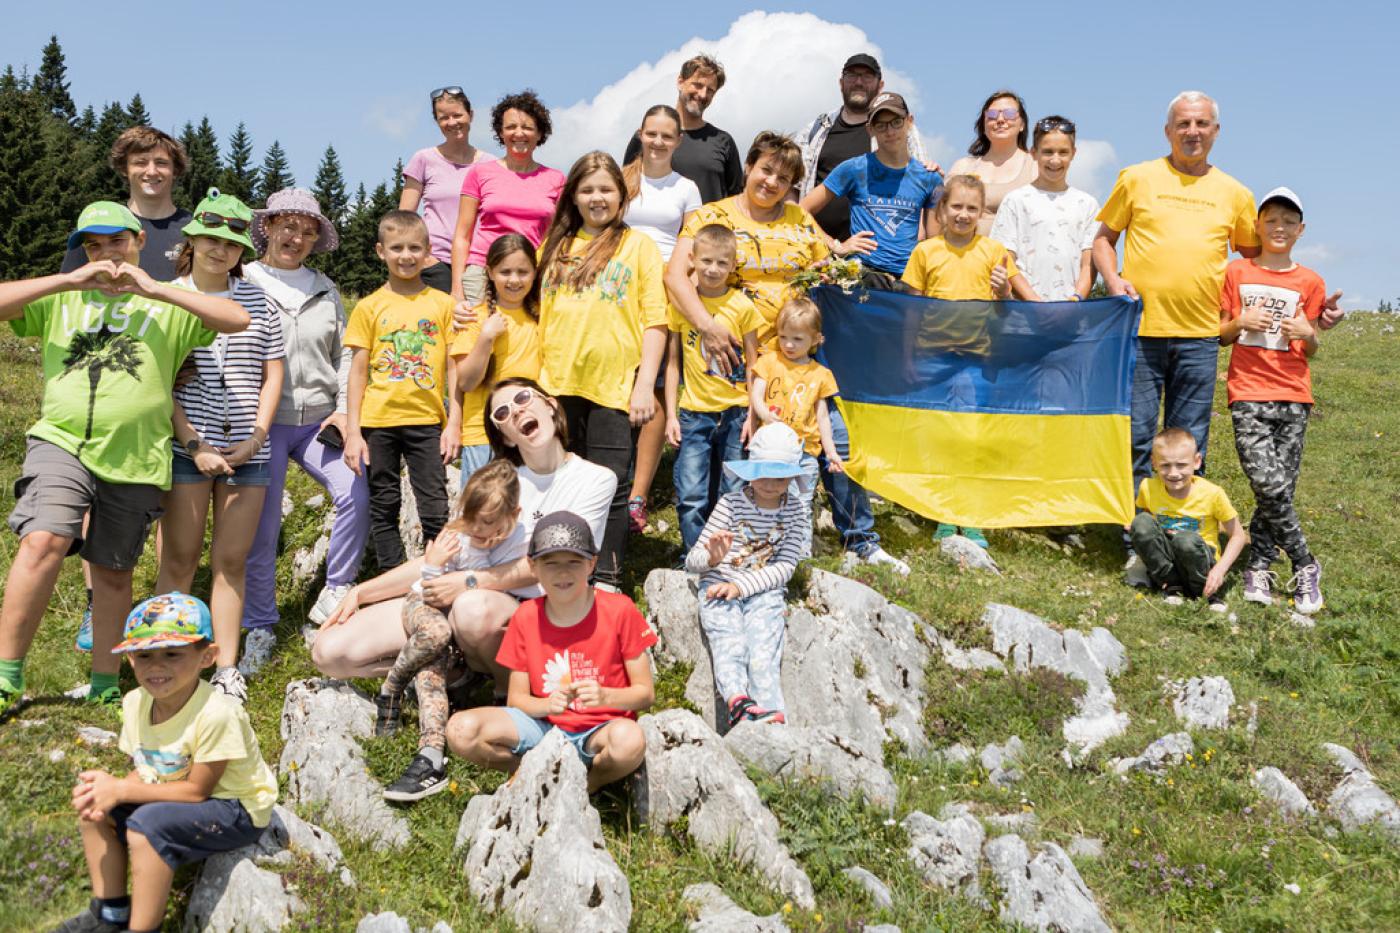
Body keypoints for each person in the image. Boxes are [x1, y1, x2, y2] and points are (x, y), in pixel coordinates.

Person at [0, 202, 249, 715]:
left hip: (137, 456)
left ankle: (105, 685)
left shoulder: (168, 302)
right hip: (62, 440)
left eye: (116, 241)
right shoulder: (62, 300)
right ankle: (7, 676)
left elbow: (236, 318)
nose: (106, 254)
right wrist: (66, 282)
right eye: (94, 244)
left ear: (138, 240)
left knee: (114, 571)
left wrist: (155, 287)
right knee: (45, 538)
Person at [670, 131, 906, 572]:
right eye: (766, 169)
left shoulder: (799, 217)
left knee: (834, 438)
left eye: (784, 176)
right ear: (749, 167)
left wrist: (843, 255)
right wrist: (709, 327)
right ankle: (720, 551)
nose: (772, 181)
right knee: (735, 458)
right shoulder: (710, 216)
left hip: (800, 357)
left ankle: (861, 539)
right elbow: (675, 277)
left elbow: (828, 257)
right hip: (736, 357)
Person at [312, 379, 614, 709]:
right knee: (328, 652)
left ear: (551, 405)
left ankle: (507, 695)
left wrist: (468, 582)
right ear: (503, 436)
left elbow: (560, 560)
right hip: (454, 603)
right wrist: (363, 591)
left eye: (524, 399)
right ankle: (449, 668)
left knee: (473, 609)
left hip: (530, 611)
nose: (516, 411)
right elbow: (448, 550)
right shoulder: (494, 483)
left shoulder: (595, 479)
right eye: (503, 412)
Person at [1093, 91, 1260, 583]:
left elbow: (1252, 263)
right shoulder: (1137, 177)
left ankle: (1192, 544)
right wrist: (1114, 280)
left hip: (1201, 337)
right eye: (1183, 123)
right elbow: (1103, 238)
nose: (1193, 131)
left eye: (1202, 123)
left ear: (1216, 131)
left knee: (1189, 443)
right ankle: (1140, 545)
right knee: (1139, 440)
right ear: (1167, 130)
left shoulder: (1235, 192)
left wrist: (1248, 311)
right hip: (1142, 331)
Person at [54, 593, 276, 933]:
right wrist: (111, 793)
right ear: (130, 659)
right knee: (93, 803)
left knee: (148, 825)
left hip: (234, 806)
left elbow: (197, 791)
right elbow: (145, 767)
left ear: (207, 657)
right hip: (178, 790)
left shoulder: (217, 713)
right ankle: (108, 912)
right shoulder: (134, 702)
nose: (156, 666)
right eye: (144, 655)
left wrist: (123, 789)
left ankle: (143, 928)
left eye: (172, 654)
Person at [156, 190, 284, 705]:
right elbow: (157, 381)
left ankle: (226, 667)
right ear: (192, 239)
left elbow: (272, 375)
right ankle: (168, 657)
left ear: (241, 251)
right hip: (188, 447)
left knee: (231, 560)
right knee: (180, 559)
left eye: (230, 243)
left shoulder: (260, 302)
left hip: (248, 452)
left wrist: (256, 437)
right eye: (210, 238)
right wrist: (192, 441)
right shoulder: (165, 296)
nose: (219, 250)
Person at [445, 510, 656, 793]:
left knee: (629, 742)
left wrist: (606, 696)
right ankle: (531, 769)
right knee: (460, 730)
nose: (563, 573)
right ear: (533, 567)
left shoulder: (620, 610)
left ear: (591, 564)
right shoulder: (525, 617)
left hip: (601, 730)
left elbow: (645, 693)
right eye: (551, 563)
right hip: (543, 727)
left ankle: (584, 785)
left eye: (574, 561)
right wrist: (546, 705)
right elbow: (517, 698)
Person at [536, 151, 668, 591]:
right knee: (557, 485)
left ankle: (607, 580)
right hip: (554, 384)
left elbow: (655, 321)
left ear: (622, 195)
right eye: (587, 189)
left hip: (613, 387)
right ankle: (558, 577)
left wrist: (645, 385)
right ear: (573, 195)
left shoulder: (639, 246)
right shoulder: (553, 246)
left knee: (610, 487)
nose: (597, 198)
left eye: (606, 190)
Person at [373, 459, 540, 801]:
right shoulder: (457, 536)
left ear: (516, 513)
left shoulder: (522, 541)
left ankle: (489, 701)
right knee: (434, 647)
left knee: (446, 640)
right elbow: (430, 590)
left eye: (490, 524)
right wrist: (434, 568)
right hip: (429, 608)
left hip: (472, 627)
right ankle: (424, 740)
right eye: (472, 521)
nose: (479, 531)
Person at [242, 187, 370, 629]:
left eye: (308, 231)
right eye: (289, 226)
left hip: (320, 421)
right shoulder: (245, 280)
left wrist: (342, 410)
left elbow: (345, 355)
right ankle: (259, 623)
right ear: (269, 227)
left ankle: (337, 588)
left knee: (355, 489)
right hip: (265, 423)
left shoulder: (325, 288)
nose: (297, 237)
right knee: (262, 527)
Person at [901, 174, 1040, 548]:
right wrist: (909, 354)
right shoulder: (925, 252)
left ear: (982, 213)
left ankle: (971, 514)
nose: (963, 214)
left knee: (973, 435)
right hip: (933, 357)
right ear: (943, 210)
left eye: (971, 209)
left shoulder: (995, 253)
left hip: (977, 358)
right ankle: (944, 512)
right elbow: (912, 309)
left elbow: (1006, 311)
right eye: (956, 206)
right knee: (940, 434)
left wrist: (1003, 291)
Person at [1219, 187, 1326, 614]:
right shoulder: (1236, 272)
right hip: (1247, 391)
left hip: (1294, 394)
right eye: (1271, 220)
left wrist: (1309, 335)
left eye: (1288, 221)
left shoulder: (1311, 281)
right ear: (1258, 227)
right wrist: (1241, 321)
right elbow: (1222, 333)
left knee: (1279, 489)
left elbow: (1313, 343)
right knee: (1267, 482)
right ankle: (1304, 561)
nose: (1279, 227)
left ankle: (1260, 565)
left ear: (1301, 230)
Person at [343, 211, 458, 570]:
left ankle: (435, 576)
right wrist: (352, 432)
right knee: (384, 505)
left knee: (434, 506)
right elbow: (357, 373)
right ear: (381, 251)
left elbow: (454, 367)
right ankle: (391, 581)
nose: (405, 256)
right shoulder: (368, 307)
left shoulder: (443, 305)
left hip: (427, 422)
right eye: (396, 248)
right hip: (379, 422)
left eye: (414, 248)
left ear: (427, 252)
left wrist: (454, 422)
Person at [686, 423, 811, 728]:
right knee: (728, 637)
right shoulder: (730, 504)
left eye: (780, 477)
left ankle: (769, 710)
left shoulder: (794, 510)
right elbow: (693, 560)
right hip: (718, 583)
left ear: (793, 477)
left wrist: (741, 587)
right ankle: (737, 700)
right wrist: (713, 558)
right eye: (762, 474)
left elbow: (785, 566)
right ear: (750, 470)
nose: (769, 484)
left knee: (764, 642)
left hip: (762, 590)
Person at [621, 104, 703, 533]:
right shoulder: (621, 179)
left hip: (662, 290)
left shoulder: (686, 188)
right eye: (650, 133)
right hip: (618, 291)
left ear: (678, 141)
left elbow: (689, 248)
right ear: (640, 133)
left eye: (665, 136)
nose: (657, 142)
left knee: (651, 389)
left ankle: (638, 495)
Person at [665, 224, 762, 551]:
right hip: (694, 414)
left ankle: (728, 557)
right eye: (705, 261)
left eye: (722, 263)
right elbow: (673, 365)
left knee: (732, 492)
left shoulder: (743, 307)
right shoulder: (682, 307)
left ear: (733, 264)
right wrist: (670, 415)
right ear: (691, 259)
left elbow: (753, 364)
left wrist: (753, 413)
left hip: (735, 415)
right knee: (692, 494)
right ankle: (695, 557)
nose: (713, 269)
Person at [799, 91, 943, 282]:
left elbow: (935, 242)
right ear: (870, 130)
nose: (890, 131)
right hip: (861, 276)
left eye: (896, 122)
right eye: (881, 125)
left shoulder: (930, 178)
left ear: (910, 121)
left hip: (907, 280)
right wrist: (835, 246)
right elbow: (801, 210)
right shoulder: (853, 168)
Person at [795, 54, 933, 245]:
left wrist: (918, 237)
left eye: (867, 76)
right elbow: (793, 190)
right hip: (817, 250)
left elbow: (922, 182)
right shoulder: (816, 129)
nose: (859, 82)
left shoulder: (904, 132)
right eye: (852, 75)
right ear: (841, 82)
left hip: (882, 254)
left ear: (880, 85)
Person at [449, 90, 564, 307]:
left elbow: (556, 239)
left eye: (527, 127)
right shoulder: (479, 174)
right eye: (511, 127)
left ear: (540, 134)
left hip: (529, 276)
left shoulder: (556, 179)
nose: (518, 134)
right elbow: (462, 236)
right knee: (478, 337)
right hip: (482, 272)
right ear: (500, 133)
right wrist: (456, 290)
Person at [451, 233, 542, 481]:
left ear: (535, 273)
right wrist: (485, 338)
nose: (514, 280)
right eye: (505, 272)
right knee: (482, 516)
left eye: (523, 272)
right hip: (483, 436)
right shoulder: (474, 318)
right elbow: (466, 382)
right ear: (490, 272)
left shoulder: (541, 320)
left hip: (529, 436)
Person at [749, 298, 844, 525]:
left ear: (816, 340)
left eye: (797, 339)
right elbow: (756, 394)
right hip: (772, 448)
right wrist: (763, 413)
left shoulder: (821, 374)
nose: (789, 345)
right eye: (783, 337)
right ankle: (766, 546)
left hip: (804, 450)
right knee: (766, 499)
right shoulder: (770, 361)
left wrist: (830, 450)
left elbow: (822, 416)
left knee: (800, 503)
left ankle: (798, 553)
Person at [1129, 428, 1246, 609]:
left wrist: (1220, 569)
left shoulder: (1212, 494)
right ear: (1154, 463)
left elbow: (1238, 536)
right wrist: (1139, 533)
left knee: (1185, 539)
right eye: (1165, 465)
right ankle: (1171, 584)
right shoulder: (1148, 487)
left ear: (1197, 461)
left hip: (1200, 559)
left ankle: (1206, 591)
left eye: (1181, 465)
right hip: (1170, 559)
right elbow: (1149, 520)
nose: (1174, 473)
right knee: (1141, 522)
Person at [61, 126, 193, 281]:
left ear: (175, 170)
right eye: (141, 162)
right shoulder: (97, 225)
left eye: (161, 163)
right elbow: (66, 290)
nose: (151, 171)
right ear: (125, 169)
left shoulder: (194, 229)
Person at [990, 116, 1100, 300]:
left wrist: (1076, 299)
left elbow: (1088, 265)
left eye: (1063, 152)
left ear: (1073, 153)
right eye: (1048, 152)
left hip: (1071, 316)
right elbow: (1005, 259)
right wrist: (1035, 303)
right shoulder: (1015, 200)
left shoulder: (1087, 204)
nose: (1055, 160)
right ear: (1034, 153)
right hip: (1023, 316)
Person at [401, 86, 495, 294]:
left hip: (477, 264)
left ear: (470, 115)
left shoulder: (492, 165)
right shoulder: (423, 159)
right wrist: (424, 259)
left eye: (457, 115)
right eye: (444, 118)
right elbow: (404, 218)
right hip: (434, 264)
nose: (452, 122)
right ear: (437, 122)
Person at [623, 54, 743, 204]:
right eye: (698, 85)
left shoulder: (723, 141)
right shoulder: (648, 138)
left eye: (710, 90)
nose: (703, 94)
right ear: (680, 82)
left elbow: (738, 200)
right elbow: (626, 188)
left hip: (710, 227)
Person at [948, 90, 1038, 237]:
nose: (1000, 120)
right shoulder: (963, 166)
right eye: (992, 115)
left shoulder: (1035, 166)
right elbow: (942, 212)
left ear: (1022, 124)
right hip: (963, 256)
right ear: (983, 124)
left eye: (1009, 114)